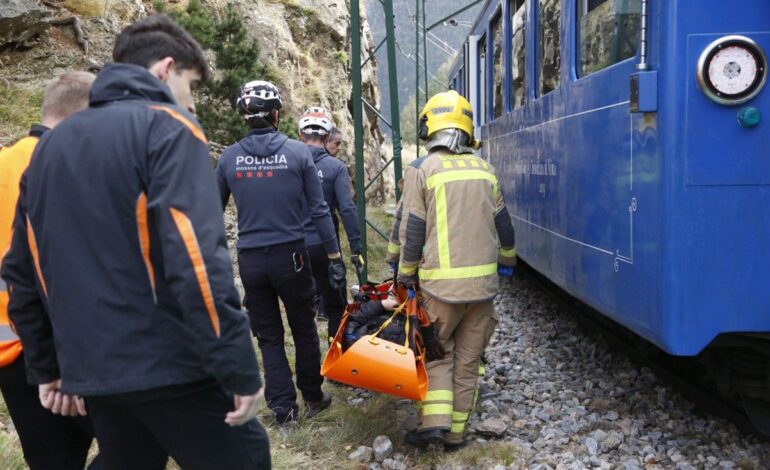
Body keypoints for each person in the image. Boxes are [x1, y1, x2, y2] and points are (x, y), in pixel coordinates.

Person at [1, 15, 270, 469]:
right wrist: (238, 364)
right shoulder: (167, 127)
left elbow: (21, 271)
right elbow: (196, 259)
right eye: (192, 85)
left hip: (94, 373)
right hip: (172, 363)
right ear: (166, 69)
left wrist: (47, 368)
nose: (191, 101)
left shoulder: (50, 147)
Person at [216, 81, 344, 424]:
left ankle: (283, 410)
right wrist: (334, 257)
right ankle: (313, 396)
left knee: (269, 336)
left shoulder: (229, 157)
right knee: (302, 327)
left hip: (251, 261)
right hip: (292, 256)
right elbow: (319, 211)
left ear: (244, 115)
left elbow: (210, 214)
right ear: (275, 114)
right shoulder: (299, 153)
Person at [395, 90, 516, 450]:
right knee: (467, 361)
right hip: (483, 290)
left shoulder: (425, 169)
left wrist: (404, 275)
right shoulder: (485, 169)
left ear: (432, 127)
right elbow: (504, 226)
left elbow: (413, 229)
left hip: (440, 291)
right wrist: (507, 262)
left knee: (437, 354)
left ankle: (433, 424)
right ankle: (458, 434)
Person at [0, 71, 101, 470]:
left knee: (52, 461)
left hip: (9, 350)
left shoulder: (4, 162)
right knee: (136, 443)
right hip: (70, 346)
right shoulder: (73, 166)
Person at [298, 107, 362, 339]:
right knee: (335, 306)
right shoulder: (335, 167)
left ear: (300, 136)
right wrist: (356, 247)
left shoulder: (288, 164)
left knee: (300, 309)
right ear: (327, 138)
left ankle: (306, 362)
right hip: (325, 246)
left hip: (291, 245)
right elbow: (346, 208)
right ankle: (336, 362)